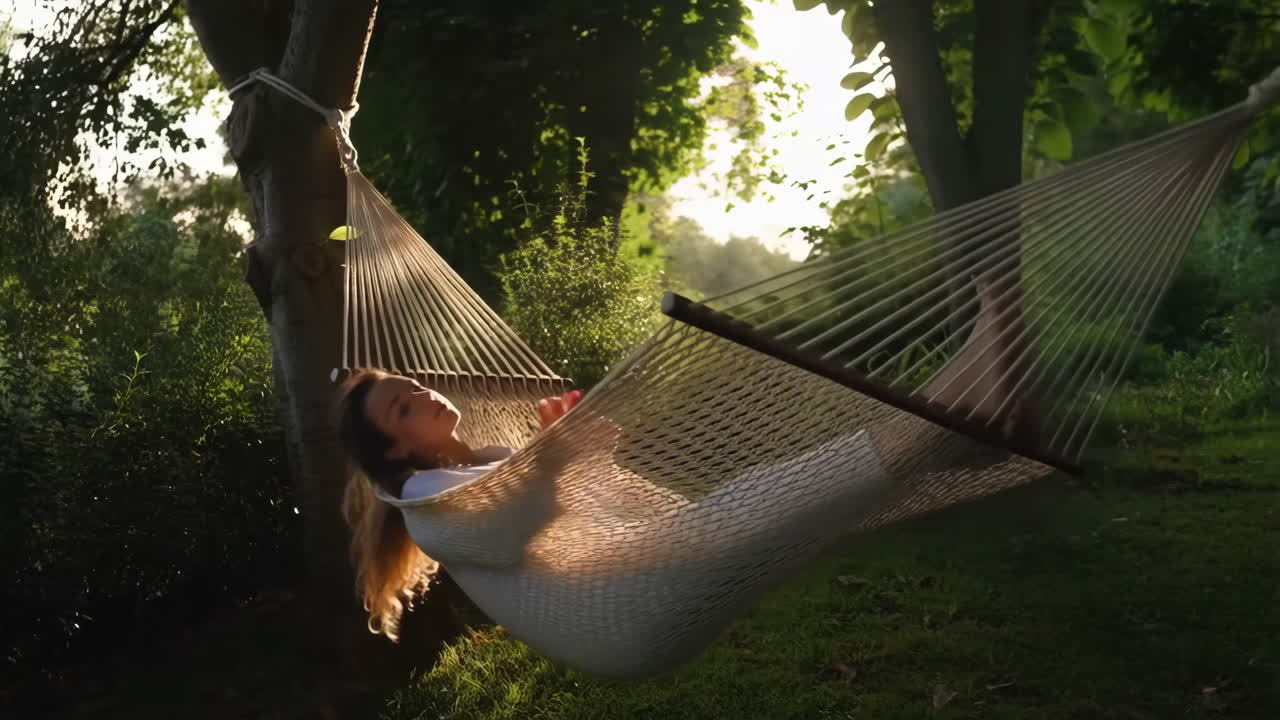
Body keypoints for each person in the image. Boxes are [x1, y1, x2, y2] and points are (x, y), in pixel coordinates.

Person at [335, 368, 581, 640]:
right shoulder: (427, 493)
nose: (424, 397)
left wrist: (564, 440)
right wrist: (552, 450)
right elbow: (510, 528)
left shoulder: (479, 460)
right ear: (396, 449)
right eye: (404, 408)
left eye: (416, 387)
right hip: (584, 591)